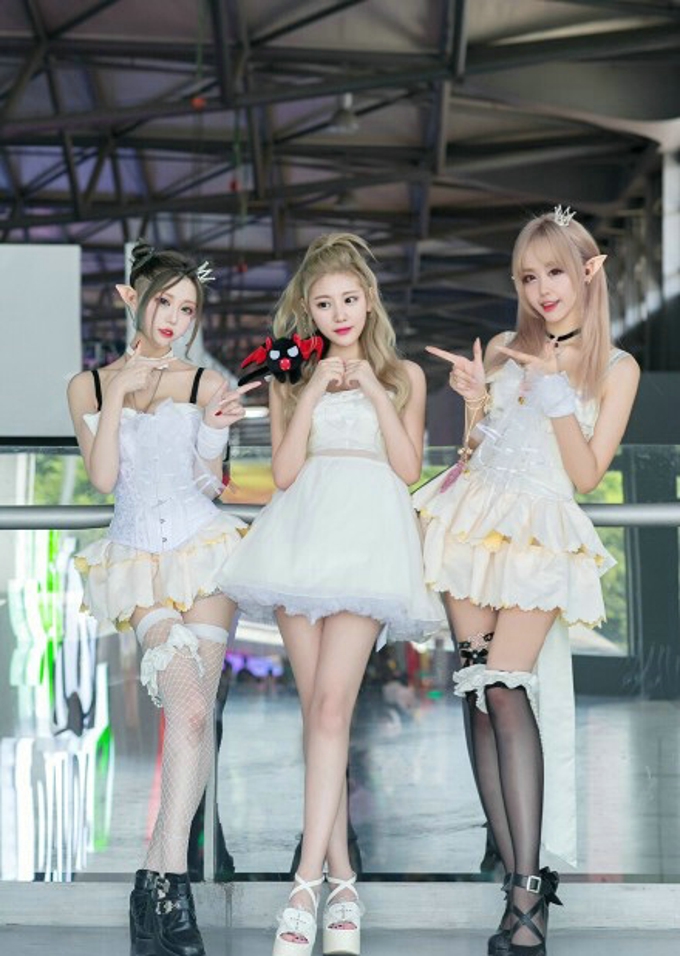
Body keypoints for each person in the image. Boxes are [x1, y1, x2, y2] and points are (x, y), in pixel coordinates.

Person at [413, 207, 639, 956]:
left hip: (541, 534)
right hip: (473, 524)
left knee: (506, 688)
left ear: (588, 272)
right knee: (478, 694)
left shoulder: (617, 368)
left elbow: (587, 473)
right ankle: (516, 873)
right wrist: (475, 402)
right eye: (529, 276)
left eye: (555, 272)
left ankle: (527, 891)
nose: (544, 289)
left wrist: (554, 395)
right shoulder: (509, 350)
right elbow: (474, 455)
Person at [221, 233, 442, 956]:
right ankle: (343, 885)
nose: (339, 312)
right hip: (300, 537)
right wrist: (312, 387)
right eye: (324, 303)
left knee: (331, 709)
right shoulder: (291, 376)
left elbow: (407, 467)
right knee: (318, 714)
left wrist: (373, 388)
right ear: (308, 310)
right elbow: (284, 473)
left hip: (367, 542)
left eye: (349, 298)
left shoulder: (404, 375)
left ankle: (305, 886)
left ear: (368, 300)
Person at [67, 241, 258, 956]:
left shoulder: (205, 381)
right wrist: (120, 392)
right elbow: (103, 477)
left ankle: (161, 886)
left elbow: (209, 484)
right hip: (136, 564)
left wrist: (214, 432)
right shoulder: (87, 387)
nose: (175, 318)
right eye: (164, 302)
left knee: (195, 717)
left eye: (188, 307)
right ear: (132, 299)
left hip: (204, 554)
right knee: (189, 711)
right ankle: (163, 885)